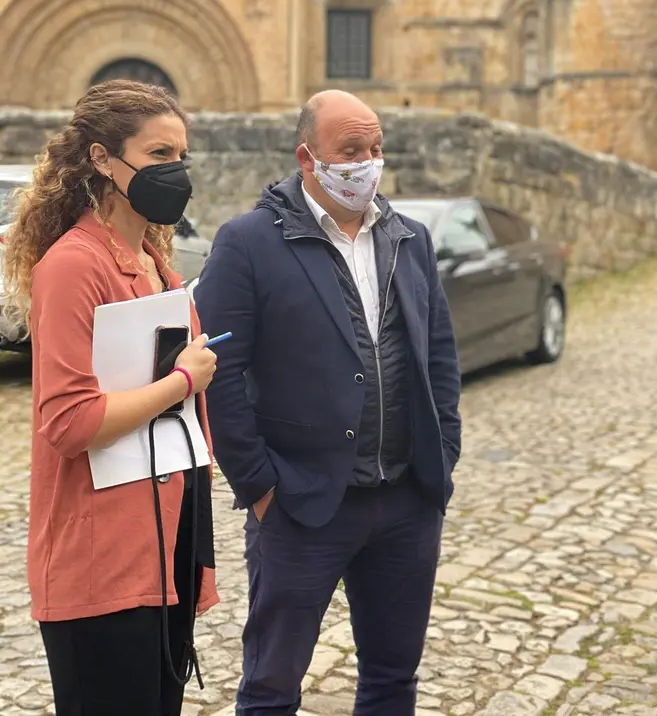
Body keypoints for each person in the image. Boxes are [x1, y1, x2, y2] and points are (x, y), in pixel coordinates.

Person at [194, 89, 462, 716]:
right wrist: (260, 485)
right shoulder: (249, 243)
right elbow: (220, 373)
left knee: (394, 681)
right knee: (271, 688)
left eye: (375, 149)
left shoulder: (408, 238)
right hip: (300, 506)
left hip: (405, 503)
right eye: (350, 151)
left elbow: (441, 356)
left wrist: (441, 456)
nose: (367, 163)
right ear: (308, 158)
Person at [1, 79, 220, 716]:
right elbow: (69, 423)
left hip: (164, 544)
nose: (175, 172)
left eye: (181, 157)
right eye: (158, 156)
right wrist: (182, 381)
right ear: (102, 160)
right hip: (103, 564)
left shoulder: (157, 261)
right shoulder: (74, 265)